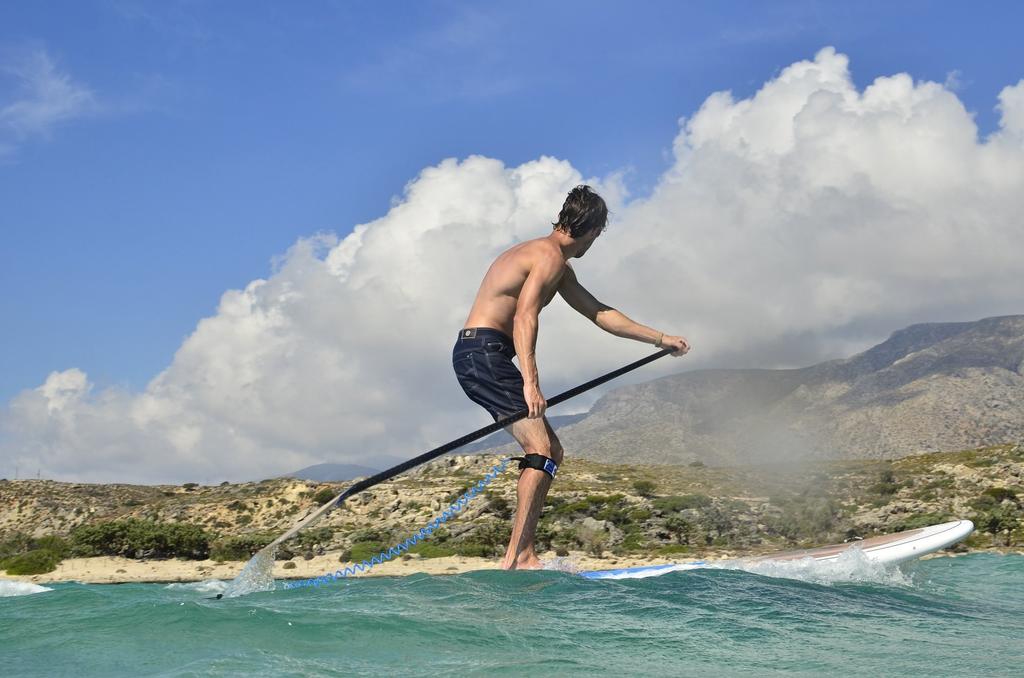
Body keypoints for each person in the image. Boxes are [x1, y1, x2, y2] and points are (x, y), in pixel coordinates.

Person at [453, 185, 690, 570]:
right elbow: (524, 315)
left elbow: (598, 312)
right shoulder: (547, 257)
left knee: (551, 451)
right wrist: (531, 381)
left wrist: (660, 339)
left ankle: (522, 550)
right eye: (597, 236)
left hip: (480, 354)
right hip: (484, 354)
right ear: (593, 231)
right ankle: (517, 556)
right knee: (542, 450)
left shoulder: (552, 261)